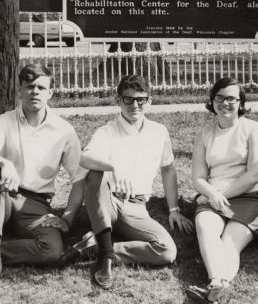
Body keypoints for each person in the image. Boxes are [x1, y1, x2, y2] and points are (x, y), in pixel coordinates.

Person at [0, 63, 84, 300]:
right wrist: (4, 164)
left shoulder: (64, 131)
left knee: (51, 250)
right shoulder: (6, 121)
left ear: (50, 93)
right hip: (4, 197)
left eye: (41, 87)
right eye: (29, 86)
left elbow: (80, 178)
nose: (35, 91)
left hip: (36, 206)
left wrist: (68, 218)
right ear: (20, 90)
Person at [79, 73, 193, 289]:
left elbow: (168, 169)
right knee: (96, 175)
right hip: (107, 202)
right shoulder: (107, 131)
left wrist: (174, 209)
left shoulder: (159, 132)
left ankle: (101, 247)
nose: (135, 105)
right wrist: (113, 167)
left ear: (149, 101)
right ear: (118, 100)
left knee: (167, 251)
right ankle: (105, 258)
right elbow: (84, 158)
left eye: (141, 100)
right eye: (128, 99)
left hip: (136, 206)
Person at [186, 77, 258, 304]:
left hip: (251, 196)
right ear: (212, 101)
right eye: (220, 98)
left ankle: (217, 286)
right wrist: (212, 194)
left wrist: (218, 194)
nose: (225, 103)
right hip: (213, 196)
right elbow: (198, 178)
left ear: (241, 102)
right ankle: (217, 285)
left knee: (230, 242)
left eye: (231, 98)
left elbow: (254, 174)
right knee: (206, 228)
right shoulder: (204, 134)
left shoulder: (253, 129)